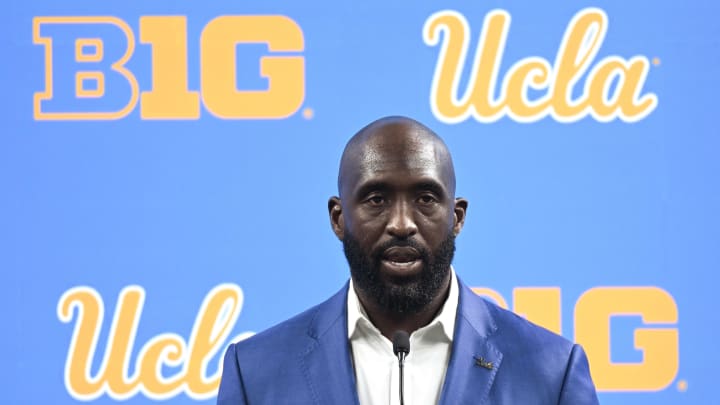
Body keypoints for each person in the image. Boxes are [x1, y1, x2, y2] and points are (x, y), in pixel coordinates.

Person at [217, 116, 599, 404]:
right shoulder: (255, 372)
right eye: (376, 199)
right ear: (338, 218)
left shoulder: (551, 371)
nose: (401, 224)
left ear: (457, 217)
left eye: (426, 199)